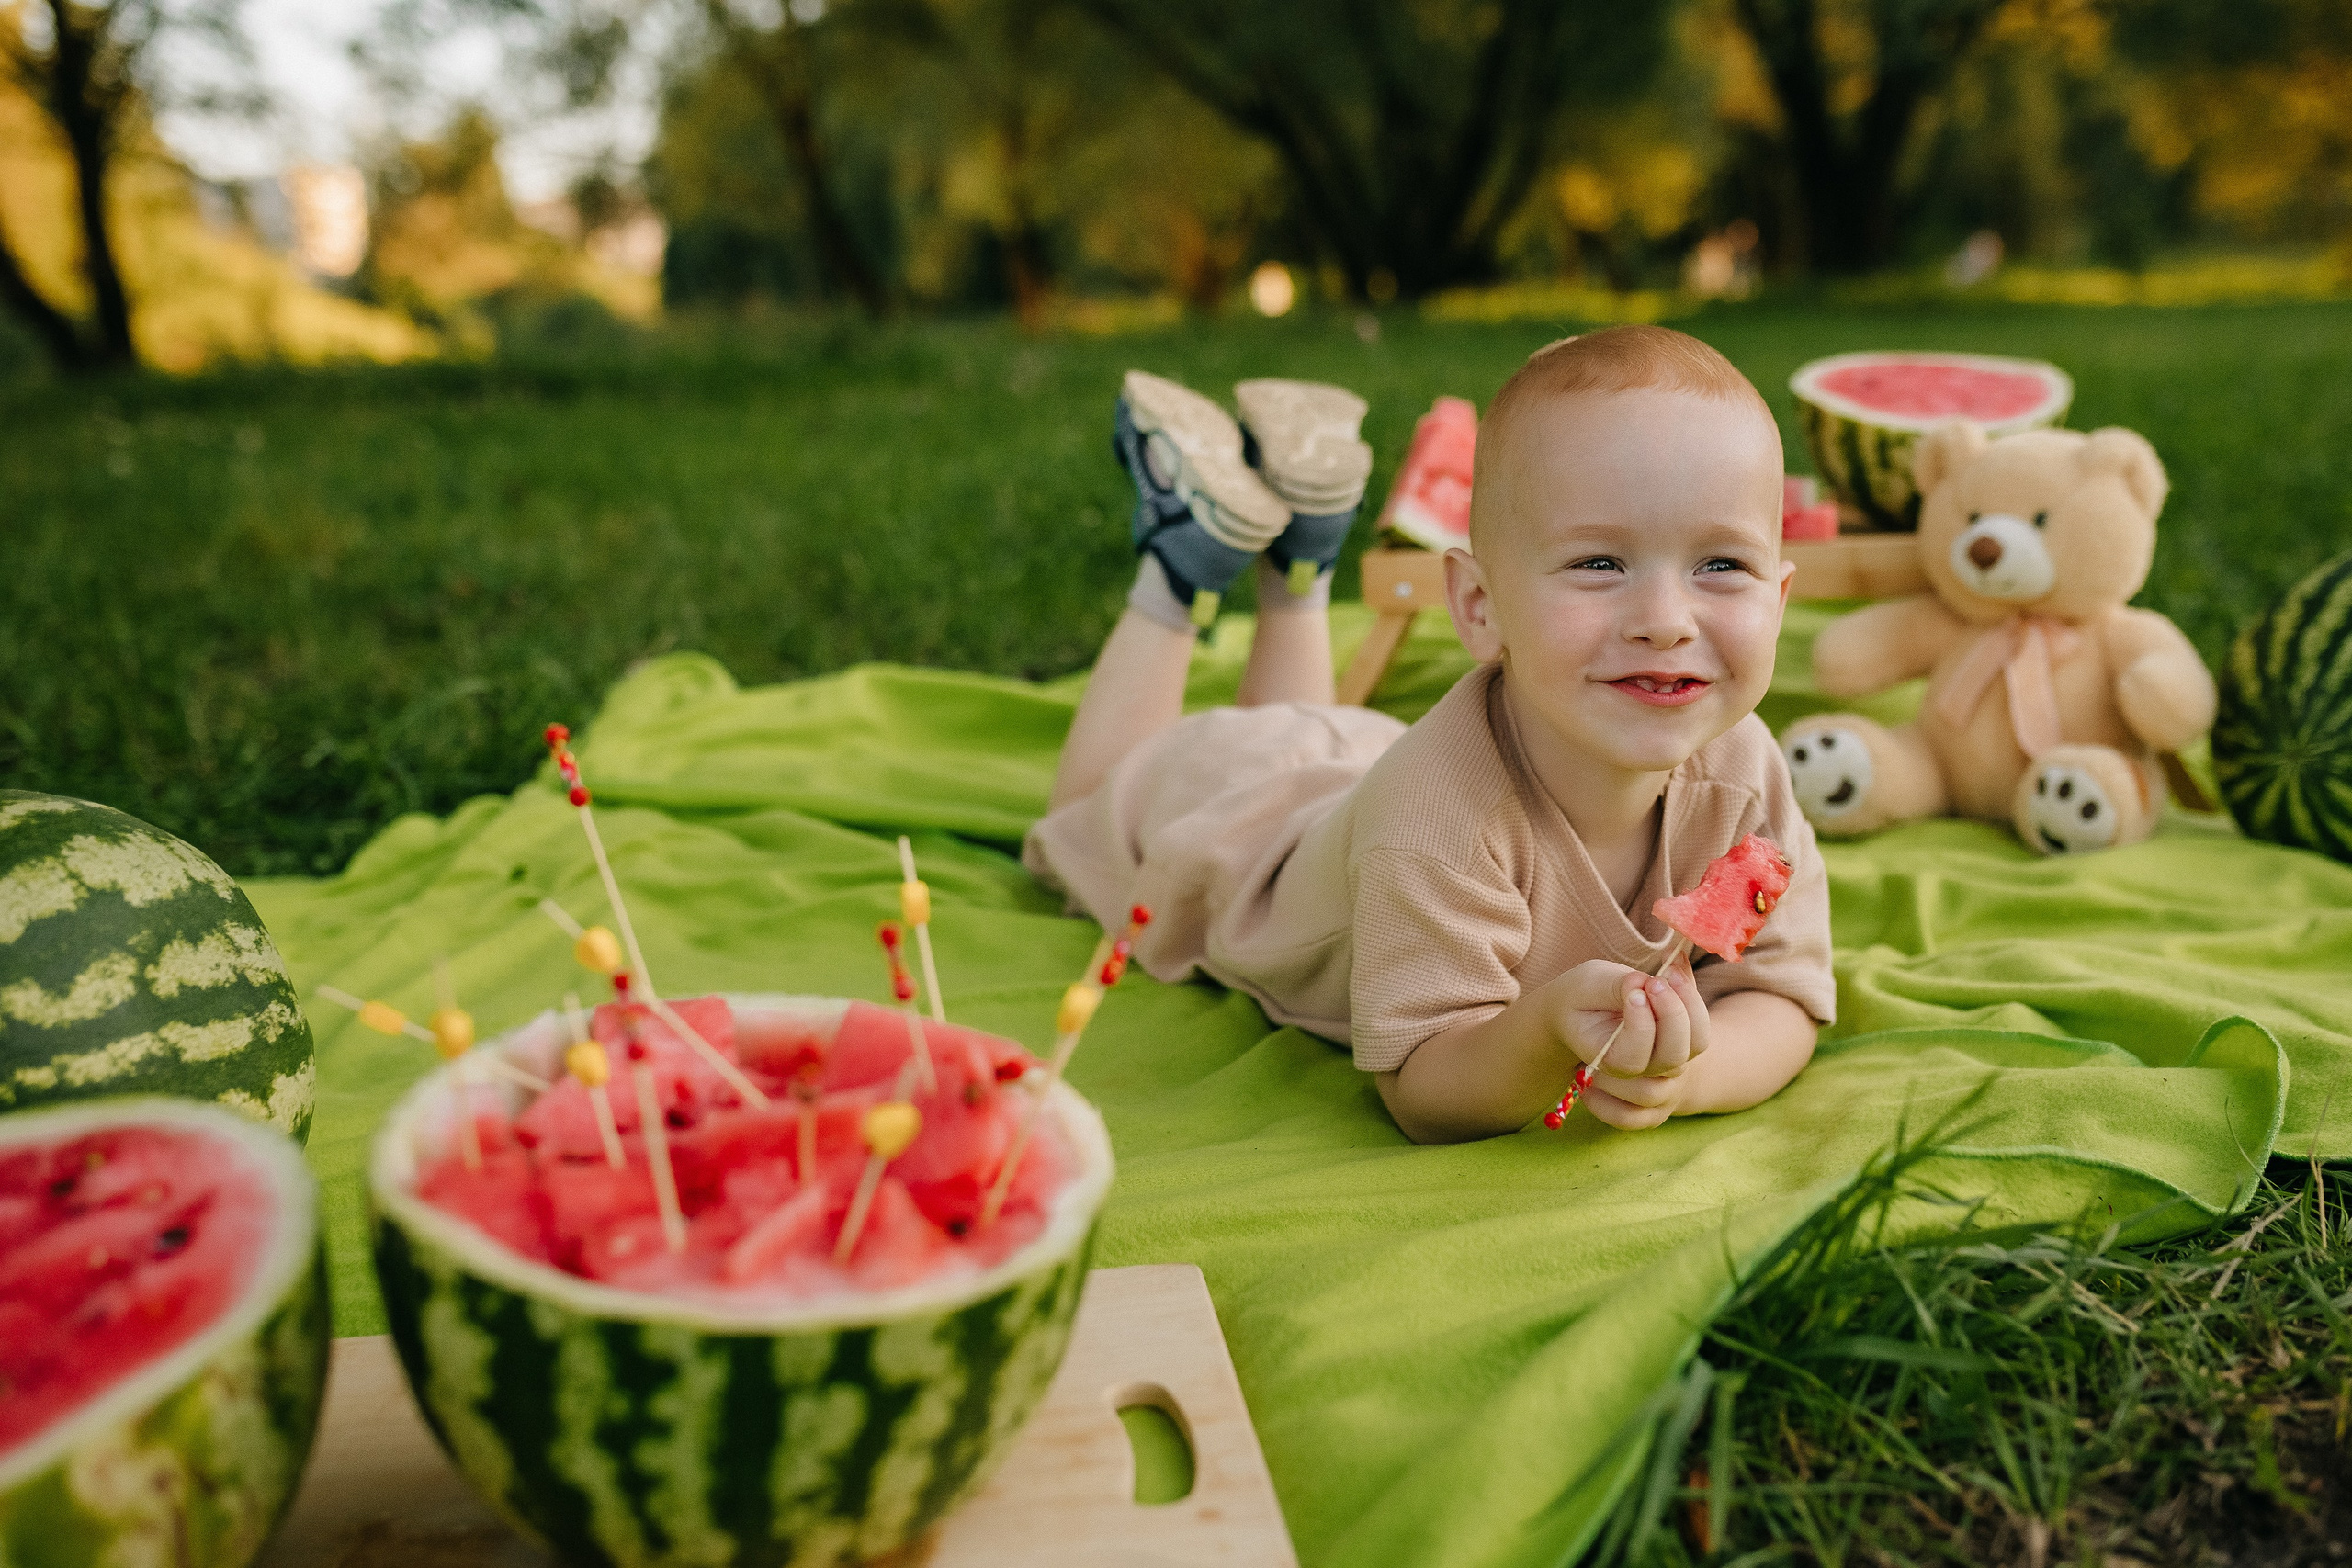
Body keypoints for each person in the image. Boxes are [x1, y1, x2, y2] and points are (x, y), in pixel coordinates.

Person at [1024, 326, 1835, 1143]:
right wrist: (1541, 1036)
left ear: (1779, 600)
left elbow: (1780, 995)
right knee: (1084, 814)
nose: (1665, 621)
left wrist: (1691, 1076)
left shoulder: (1747, 778)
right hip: (1238, 829)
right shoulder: (1436, 822)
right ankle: (1179, 571)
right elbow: (1423, 1085)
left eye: (1721, 565)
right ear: (1480, 608)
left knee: (1322, 753)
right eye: (1600, 563)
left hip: (1355, 760)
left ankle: (1304, 561)